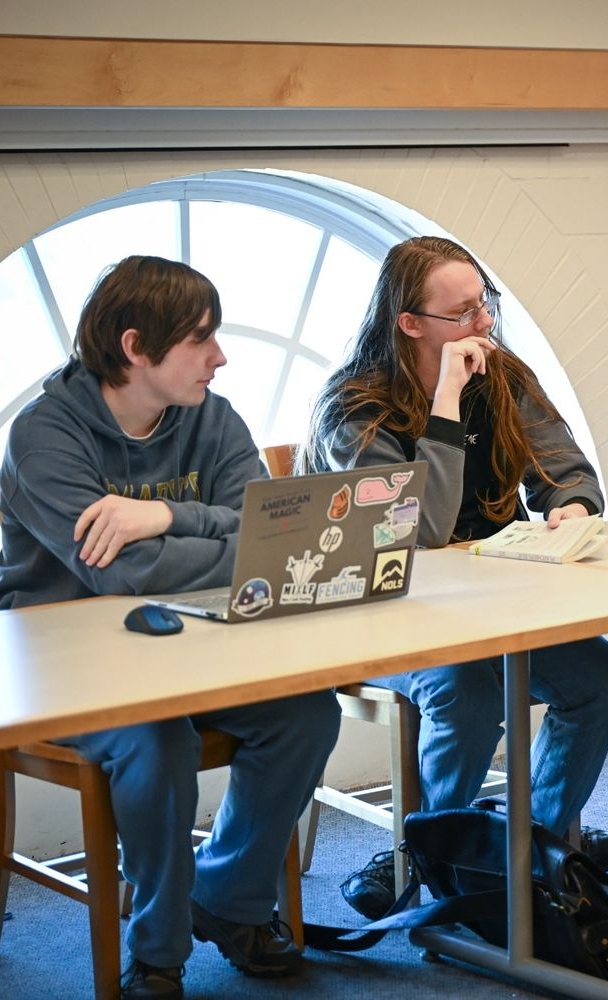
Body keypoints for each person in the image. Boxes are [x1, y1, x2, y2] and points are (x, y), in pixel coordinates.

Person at [0, 256, 341, 1000]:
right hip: (67, 667)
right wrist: (207, 544)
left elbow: (273, 531)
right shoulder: (42, 438)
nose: (220, 357)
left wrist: (163, 517)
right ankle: (158, 950)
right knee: (159, 740)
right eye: (200, 339)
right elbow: (122, 577)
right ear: (134, 347)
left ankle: (230, 898)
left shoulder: (209, 414)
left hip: (193, 646)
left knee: (309, 712)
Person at [300, 235, 608, 918]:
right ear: (411, 324)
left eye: (485, 306)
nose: (483, 325)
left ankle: (531, 843)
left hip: (491, 603)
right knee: (469, 691)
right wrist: (448, 400)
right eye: (463, 313)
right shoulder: (353, 409)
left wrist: (569, 506)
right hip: (379, 610)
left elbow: (565, 470)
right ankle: (442, 855)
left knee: (606, 682)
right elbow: (415, 533)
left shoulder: (503, 375)